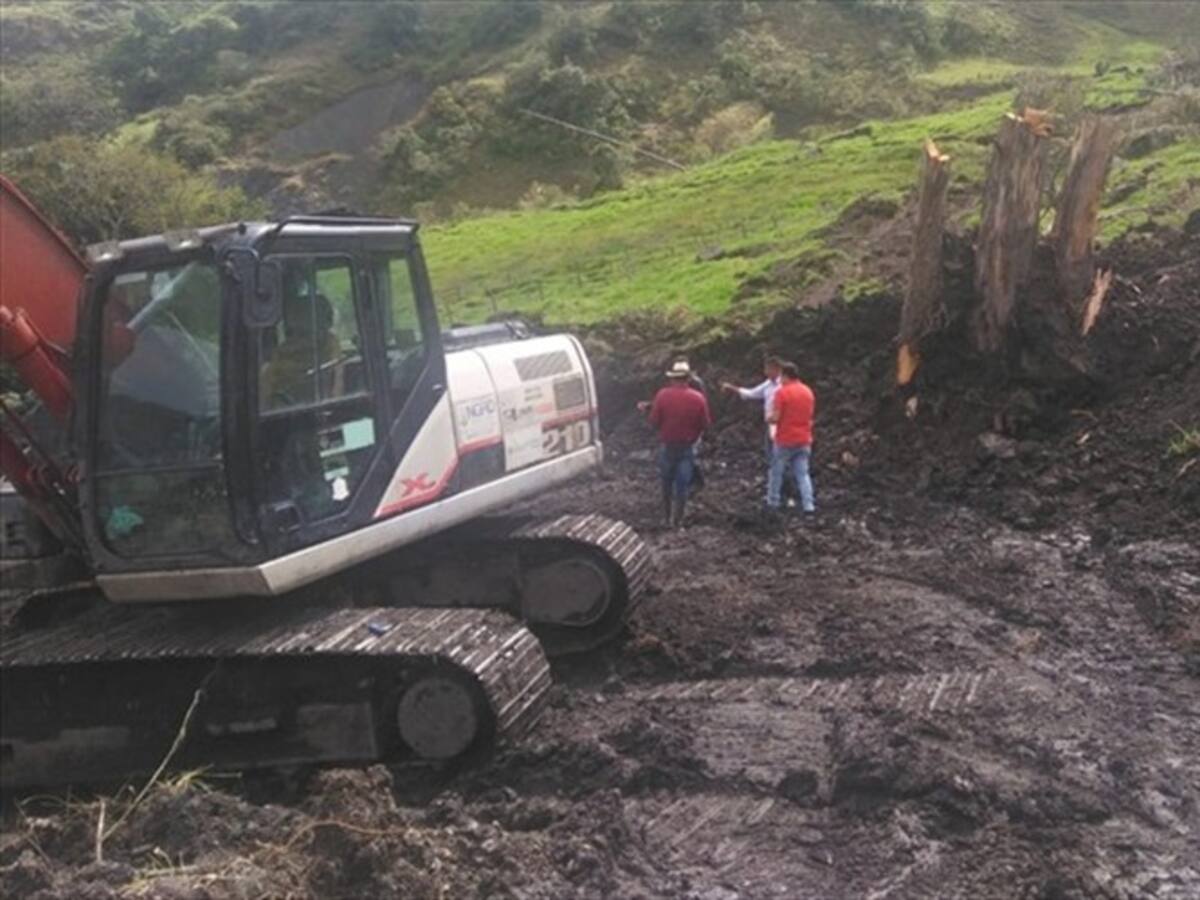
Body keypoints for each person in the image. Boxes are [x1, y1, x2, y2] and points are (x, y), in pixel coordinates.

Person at [646, 360, 712, 528]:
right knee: (682, 485)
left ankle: (666, 518)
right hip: (687, 446)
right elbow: (705, 424)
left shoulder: (662, 395)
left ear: (672, 379)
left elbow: (653, 421)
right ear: (688, 379)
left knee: (666, 483)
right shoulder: (698, 398)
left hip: (668, 445)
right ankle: (678, 520)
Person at [766, 361, 815, 516]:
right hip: (804, 438)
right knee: (803, 474)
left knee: (776, 472)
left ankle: (773, 502)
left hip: (785, 439)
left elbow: (775, 418)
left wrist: (769, 418)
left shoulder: (782, 393)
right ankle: (809, 506)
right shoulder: (808, 391)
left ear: (785, 375)